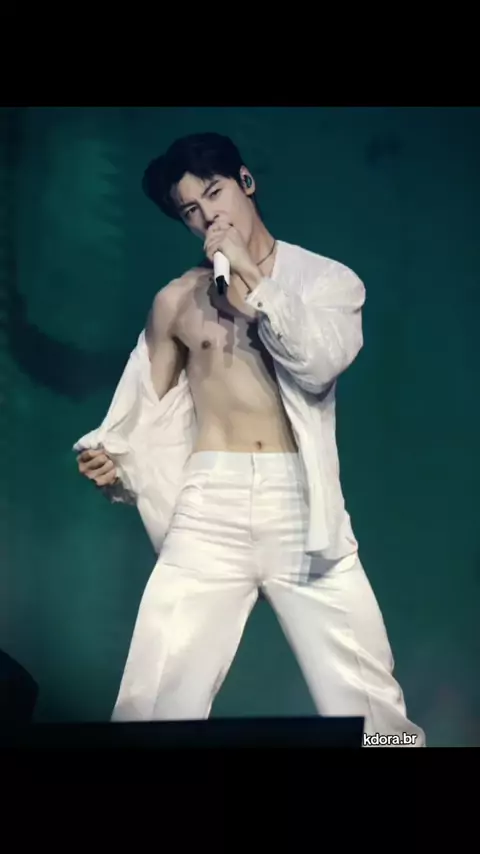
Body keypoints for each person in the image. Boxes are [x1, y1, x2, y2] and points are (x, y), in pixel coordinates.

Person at [75, 132, 425, 746]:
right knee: (152, 697)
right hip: (210, 507)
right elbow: (139, 414)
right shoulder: (176, 301)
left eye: (214, 193)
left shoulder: (326, 281)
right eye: (190, 210)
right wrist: (112, 457)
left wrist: (251, 277)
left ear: (245, 182)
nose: (208, 215)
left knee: (375, 708)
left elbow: (318, 363)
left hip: (302, 507)